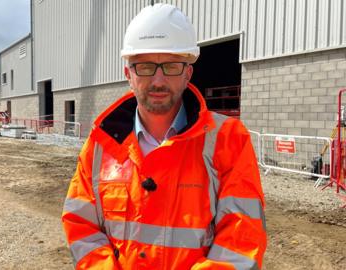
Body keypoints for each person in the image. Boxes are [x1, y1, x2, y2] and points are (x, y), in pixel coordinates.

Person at [62, 3, 266, 269]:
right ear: (128, 74)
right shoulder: (100, 144)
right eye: (145, 66)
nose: (158, 80)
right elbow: (81, 225)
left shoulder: (228, 140)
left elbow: (242, 239)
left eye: (171, 66)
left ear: (188, 73)